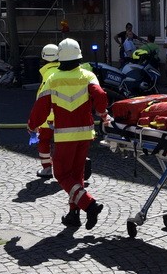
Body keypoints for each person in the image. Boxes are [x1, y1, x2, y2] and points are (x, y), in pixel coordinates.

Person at [28, 38, 110, 230]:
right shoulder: (88, 75)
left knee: (62, 174)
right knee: (76, 174)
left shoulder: (52, 78)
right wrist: (103, 113)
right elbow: (100, 95)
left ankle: (90, 205)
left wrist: (32, 126)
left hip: (64, 135)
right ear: (79, 56)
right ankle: (74, 214)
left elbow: (40, 108)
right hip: (85, 133)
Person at [34, 43, 61, 178]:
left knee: (44, 141)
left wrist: (35, 120)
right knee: (63, 142)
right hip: (63, 115)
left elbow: (42, 98)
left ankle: (47, 168)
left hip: (47, 117)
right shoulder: (63, 71)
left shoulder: (47, 74)